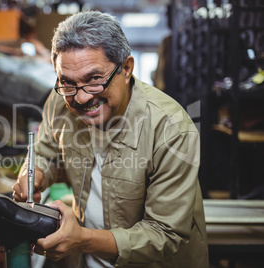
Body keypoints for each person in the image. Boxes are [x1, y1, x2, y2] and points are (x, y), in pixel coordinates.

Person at [12, 11, 209, 268]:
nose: (81, 97)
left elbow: (165, 234)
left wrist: (82, 240)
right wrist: (34, 172)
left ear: (126, 68)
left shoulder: (171, 129)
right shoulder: (61, 99)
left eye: (94, 79)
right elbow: (47, 149)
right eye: (67, 82)